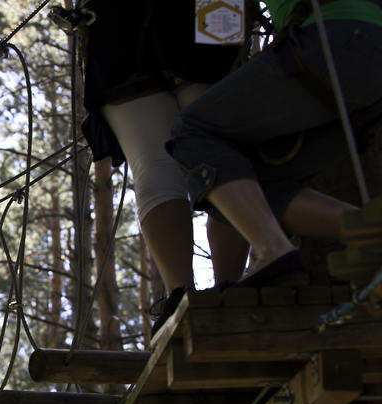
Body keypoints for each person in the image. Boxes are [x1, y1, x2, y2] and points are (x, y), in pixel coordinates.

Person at [168, 0, 382, 287]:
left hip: (337, 41)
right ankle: (366, 227)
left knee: (191, 131)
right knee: (236, 186)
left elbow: (222, 24)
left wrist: (187, 68)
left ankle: (274, 251)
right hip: (367, 71)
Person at [74, 0, 251, 333]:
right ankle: (229, 288)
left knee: (154, 166)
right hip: (206, 17)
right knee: (221, 157)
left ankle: (179, 296)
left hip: (120, 33)